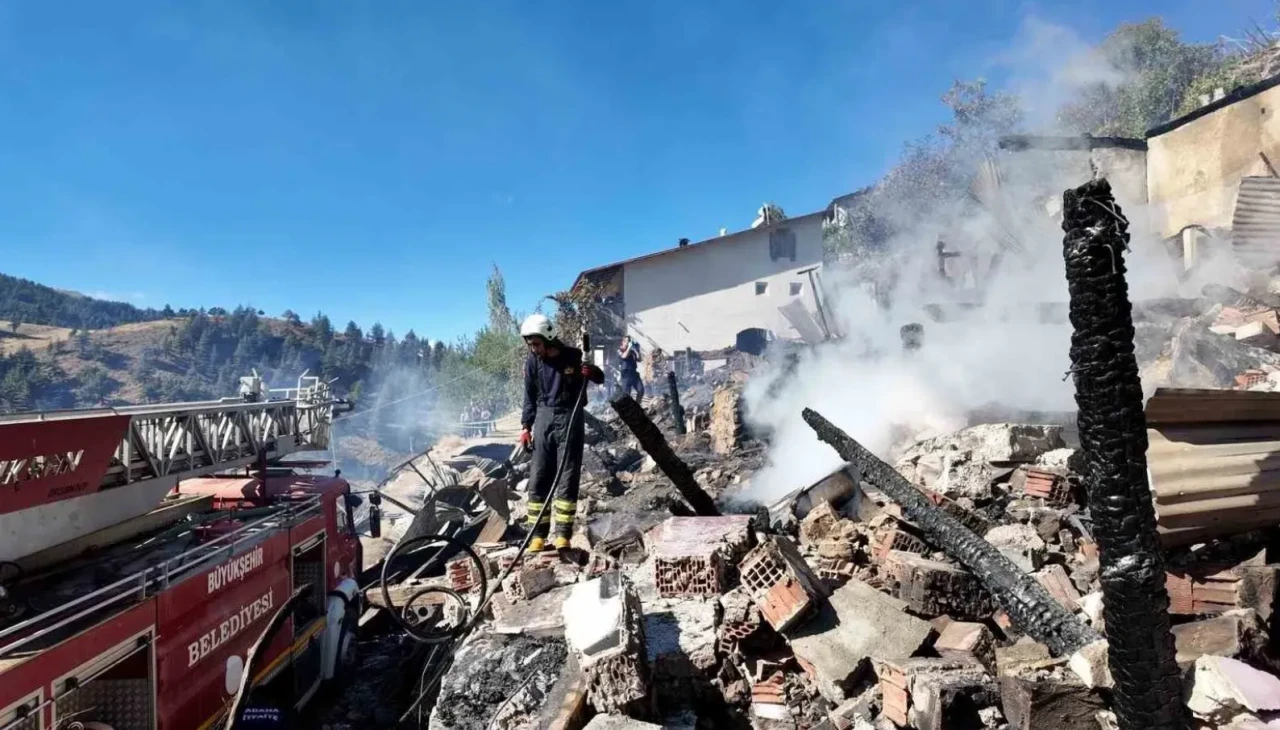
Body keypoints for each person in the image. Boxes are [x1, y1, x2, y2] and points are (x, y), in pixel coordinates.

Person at [519, 314, 603, 551]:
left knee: (567, 476)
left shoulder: (574, 357)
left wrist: (590, 373)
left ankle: (562, 535)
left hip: (570, 416)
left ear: (547, 338)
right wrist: (526, 426)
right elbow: (529, 396)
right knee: (539, 476)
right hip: (543, 418)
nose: (533, 349)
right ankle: (537, 535)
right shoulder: (532, 362)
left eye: (536, 344)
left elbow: (600, 377)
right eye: (530, 345)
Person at [617, 335, 644, 400]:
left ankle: (637, 405)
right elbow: (624, 356)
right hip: (626, 374)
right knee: (626, 394)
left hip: (634, 373)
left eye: (629, 341)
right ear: (623, 342)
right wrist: (629, 347)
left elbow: (639, 359)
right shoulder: (620, 350)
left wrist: (637, 349)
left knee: (641, 390)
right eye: (627, 341)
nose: (629, 342)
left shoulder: (632, 351)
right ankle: (626, 408)